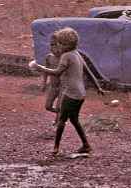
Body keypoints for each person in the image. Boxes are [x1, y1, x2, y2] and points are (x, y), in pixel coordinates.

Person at [29, 27, 92, 157]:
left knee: (62, 121)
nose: (57, 46)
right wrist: (99, 88)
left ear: (65, 44)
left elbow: (57, 72)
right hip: (81, 94)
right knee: (74, 120)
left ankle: (56, 148)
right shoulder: (76, 53)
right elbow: (88, 71)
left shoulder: (66, 56)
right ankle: (86, 145)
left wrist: (40, 67)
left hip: (71, 93)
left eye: (58, 44)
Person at [41, 37, 62, 119]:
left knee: (59, 106)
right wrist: (44, 83)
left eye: (55, 46)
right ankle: (62, 114)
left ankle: (58, 120)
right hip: (53, 86)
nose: (53, 49)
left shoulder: (65, 58)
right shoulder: (49, 57)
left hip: (63, 87)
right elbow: (45, 71)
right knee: (48, 106)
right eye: (52, 46)